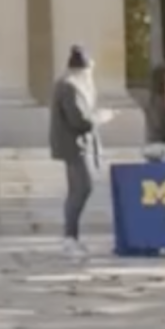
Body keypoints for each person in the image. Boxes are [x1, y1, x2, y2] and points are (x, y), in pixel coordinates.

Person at [49, 46, 113, 258]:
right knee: (83, 188)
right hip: (75, 146)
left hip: (75, 145)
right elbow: (78, 120)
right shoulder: (70, 87)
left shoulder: (68, 86)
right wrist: (100, 118)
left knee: (77, 190)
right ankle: (70, 237)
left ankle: (71, 237)